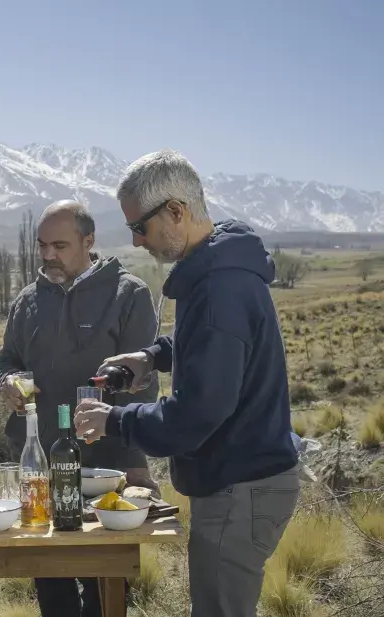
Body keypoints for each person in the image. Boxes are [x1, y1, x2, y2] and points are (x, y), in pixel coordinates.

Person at [73, 150, 300, 617]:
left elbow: (195, 416)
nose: (137, 242)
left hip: (241, 485)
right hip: (246, 480)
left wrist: (115, 420)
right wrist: (152, 356)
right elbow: (211, 343)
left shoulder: (220, 290)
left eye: (140, 227)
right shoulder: (221, 268)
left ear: (176, 211)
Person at [0, 199, 161, 617]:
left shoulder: (128, 294)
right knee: (50, 581)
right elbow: (8, 360)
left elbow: (142, 386)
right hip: (39, 465)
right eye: (42, 245)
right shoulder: (28, 301)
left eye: (60, 245)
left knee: (103, 586)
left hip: (104, 471)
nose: (49, 255)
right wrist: (7, 383)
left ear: (89, 241)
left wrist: (136, 464)